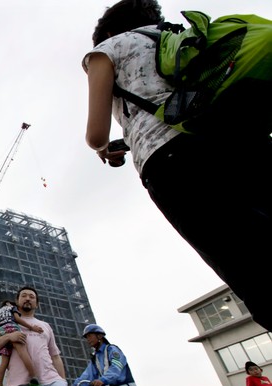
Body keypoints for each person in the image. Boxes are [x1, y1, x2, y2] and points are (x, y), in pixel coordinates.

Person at [83, 0, 272, 332]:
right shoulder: (180, 39)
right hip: (241, 141)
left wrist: (101, 147)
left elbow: (96, 132)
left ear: (109, 32)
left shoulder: (107, 49)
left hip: (174, 166)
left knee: (250, 268)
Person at [0, 299, 44, 386]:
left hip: (0, 332)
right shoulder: (11, 307)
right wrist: (31, 327)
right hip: (11, 328)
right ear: (8, 303)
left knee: (4, 363)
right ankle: (33, 378)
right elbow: (17, 319)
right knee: (23, 353)